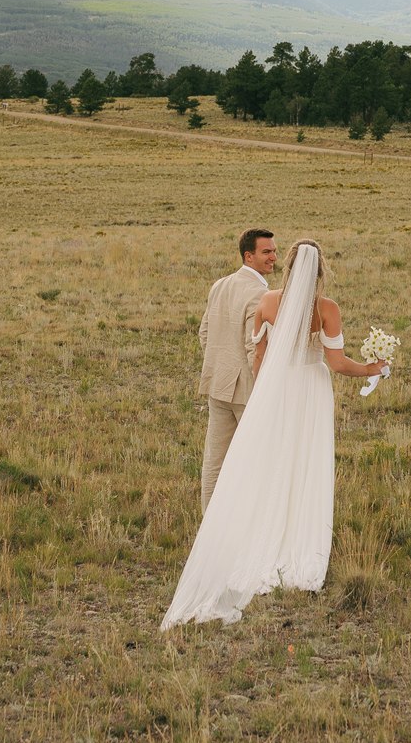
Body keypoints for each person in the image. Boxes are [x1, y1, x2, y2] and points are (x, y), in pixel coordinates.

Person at [161, 237, 385, 627]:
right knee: (305, 462)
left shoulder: (267, 303)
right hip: (310, 391)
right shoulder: (326, 309)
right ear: (320, 271)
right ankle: (297, 539)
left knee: (267, 461)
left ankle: (237, 534)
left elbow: (260, 357)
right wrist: (372, 368)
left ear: (287, 267)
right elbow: (337, 363)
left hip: (275, 390)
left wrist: (266, 396)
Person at [196, 228, 277, 510]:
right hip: (246, 391)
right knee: (260, 462)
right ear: (249, 255)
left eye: (274, 251)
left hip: (217, 383)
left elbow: (204, 333)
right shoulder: (260, 294)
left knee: (214, 464)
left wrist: (219, 366)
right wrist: (263, 390)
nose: (273, 257)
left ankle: (210, 529)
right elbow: (254, 347)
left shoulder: (220, 284)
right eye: (266, 252)